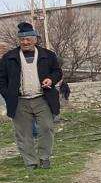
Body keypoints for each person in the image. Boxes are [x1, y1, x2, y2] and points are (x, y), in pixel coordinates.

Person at [0, 22, 63, 169]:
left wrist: (51, 80)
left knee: (47, 128)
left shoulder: (48, 55)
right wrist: (8, 93)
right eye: (22, 39)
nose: (25, 42)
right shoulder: (9, 57)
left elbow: (57, 72)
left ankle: (44, 157)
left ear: (35, 39)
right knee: (23, 133)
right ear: (19, 40)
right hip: (19, 100)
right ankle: (31, 162)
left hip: (42, 98)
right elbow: (1, 79)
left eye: (28, 39)